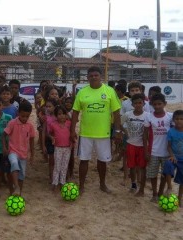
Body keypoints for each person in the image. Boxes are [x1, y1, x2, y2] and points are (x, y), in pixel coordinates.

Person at [70, 66, 122, 194]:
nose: (93, 77)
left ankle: (102, 184)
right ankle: (81, 186)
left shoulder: (109, 91)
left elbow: (116, 113)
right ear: (87, 77)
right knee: (83, 160)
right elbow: (75, 112)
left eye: (96, 75)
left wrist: (118, 131)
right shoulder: (82, 92)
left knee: (102, 161)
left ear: (101, 77)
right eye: (91, 75)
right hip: (86, 133)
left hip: (103, 133)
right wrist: (72, 131)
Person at [143, 93, 173, 202]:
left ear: (164, 104)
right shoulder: (149, 116)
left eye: (159, 104)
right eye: (154, 104)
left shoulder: (170, 116)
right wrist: (146, 151)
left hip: (167, 152)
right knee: (153, 174)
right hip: (153, 151)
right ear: (151, 105)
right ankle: (154, 194)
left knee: (165, 174)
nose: (157, 106)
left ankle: (161, 192)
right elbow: (145, 134)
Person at [2, 101, 36, 196]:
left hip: (23, 154)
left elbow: (32, 140)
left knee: (22, 176)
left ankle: (19, 193)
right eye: (23, 116)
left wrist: (32, 155)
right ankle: (15, 186)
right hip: (13, 151)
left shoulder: (30, 126)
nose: (25, 118)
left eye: (27, 116)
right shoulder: (12, 123)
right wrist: (4, 147)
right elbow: (4, 135)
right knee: (13, 163)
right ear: (18, 113)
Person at [121, 93, 148, 196]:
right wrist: (125, 132)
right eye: (135, 103)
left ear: (143, 103)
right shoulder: (128, 114)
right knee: (132, 166)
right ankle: (133, 184)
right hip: (130, 144)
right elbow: (120, 123)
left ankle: (142, 186)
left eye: (140, 102)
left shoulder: (147, 116)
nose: (138, 105)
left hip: (142, 145)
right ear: (132, 104)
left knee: (142, 167)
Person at [48, 105, 72, 193]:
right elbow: (49, 133)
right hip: (58, 148)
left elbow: (73, 133)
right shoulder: (53, 125)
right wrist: (52, 138)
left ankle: (62, 182)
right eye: (59, 114)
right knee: (57, 166)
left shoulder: (69, 124)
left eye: (63, 114)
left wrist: (73, 142)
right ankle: (55, 183)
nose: (61, 116)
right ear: (55, 116)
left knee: (64, 166)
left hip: (67, 148)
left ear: (66, 115)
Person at [163, 110, 183, 207]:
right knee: (167, 165)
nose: (179, 121)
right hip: (174, 157)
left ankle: (179, 198)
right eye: (177, 119)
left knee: (182, 180)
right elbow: (169, 146)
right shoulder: (171, 131)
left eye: (181, 119)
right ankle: (169, 187)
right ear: (173, 120)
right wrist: (172, 155)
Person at [42, 99, 58, 183]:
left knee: (58, 160)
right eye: (46, 106)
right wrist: (43, 145)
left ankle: (57, 177)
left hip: (59, 141)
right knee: (51, 160)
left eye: (50, 106)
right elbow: (44, 131)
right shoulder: (46, 118)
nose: (48, 108)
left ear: (54, 107)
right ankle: (51, 177)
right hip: (49, 141)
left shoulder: (59, 117)